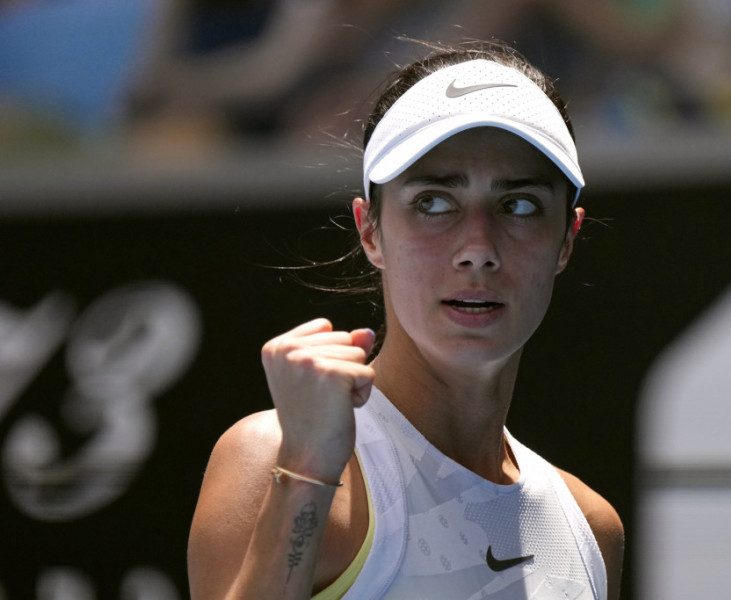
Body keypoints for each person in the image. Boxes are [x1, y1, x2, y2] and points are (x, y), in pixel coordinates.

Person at [187, 41, 624, 600]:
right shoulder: (272, 456)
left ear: (567, 238)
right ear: (370, 230)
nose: (478, 249)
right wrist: (306, 472)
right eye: (433, 203)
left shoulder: (592, 530)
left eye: (519, 205)